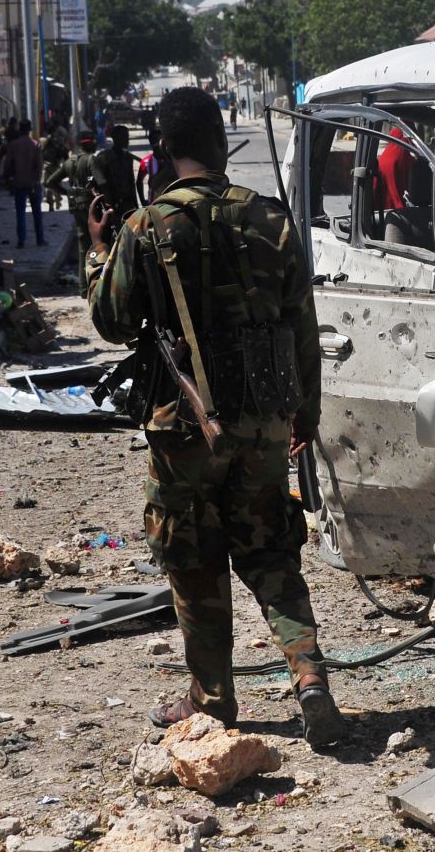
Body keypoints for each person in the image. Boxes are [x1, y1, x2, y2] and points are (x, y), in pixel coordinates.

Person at [84, 86, 347, 749]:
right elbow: (302, 327)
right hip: (265, 418)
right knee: (269, 549)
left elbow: (111, 321)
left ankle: (212, 697)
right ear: (221, 143)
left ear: (163, 150)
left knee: (192, 552)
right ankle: (309, 676)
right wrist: (304, 413)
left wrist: (97, 250)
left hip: (184, 424)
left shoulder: (148, 227)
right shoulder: (274, 222)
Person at [0, 118, 46, 247]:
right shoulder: (35, 145)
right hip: (33, 183)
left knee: (20, 212)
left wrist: (7, 177)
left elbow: (8, 165)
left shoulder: (13, 145)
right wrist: (36, 180)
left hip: (19, 182)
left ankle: (21, 240)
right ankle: (40, 239)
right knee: (37, 213)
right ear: (29, 130)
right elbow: (39, 166)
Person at [89, 124, 140, 217]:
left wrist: (135, 206)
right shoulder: (104, 157)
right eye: (124, 136)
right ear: (115, 138)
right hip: (112, 205)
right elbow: (101, 183)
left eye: (127, 136)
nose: (127, 139)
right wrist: (108, 205)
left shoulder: (127, 157)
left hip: (127, 204)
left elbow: (131, 183)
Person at [137, 128, 178, 205]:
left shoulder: (173, 160)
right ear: (150, 142)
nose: (158, 143)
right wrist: (142, 201)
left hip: (172, 202)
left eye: (160, 140)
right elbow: (139, 181)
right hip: (153, 203)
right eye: (154, 141)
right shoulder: (146, 161)